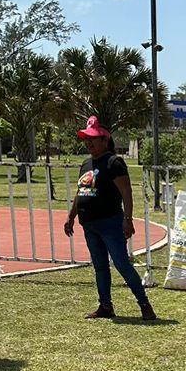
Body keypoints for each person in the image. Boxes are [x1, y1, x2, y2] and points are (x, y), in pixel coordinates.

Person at [63, 115, 157, 321]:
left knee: (122, 264)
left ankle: (144, 304)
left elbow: (126, 192)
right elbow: (81, 193)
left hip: (110, 223)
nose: (88, 142)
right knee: (100, 267)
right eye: (86, 139)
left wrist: (128, 219)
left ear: (105, 140)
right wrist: (71, 217)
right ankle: (105, 306)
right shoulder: (86, 164)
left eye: (93, 139)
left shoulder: (114, 162)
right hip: (89, 224)